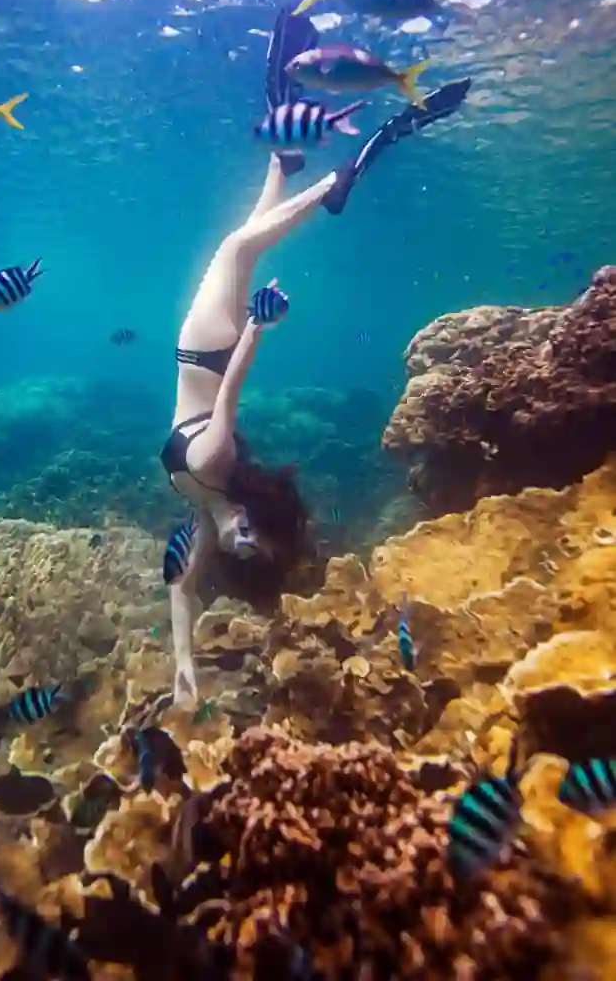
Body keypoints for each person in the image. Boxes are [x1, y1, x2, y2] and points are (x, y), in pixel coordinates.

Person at [160, 77, 472, 705]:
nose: (242, 540)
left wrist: (184, 664)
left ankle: (285, 164)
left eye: (246, 549)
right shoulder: (213, 464)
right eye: (255, 536)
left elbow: (180, 590)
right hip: (212, 346)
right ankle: (334, 184)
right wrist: (256, 328)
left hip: (208, 347)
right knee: (238, 247)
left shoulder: (205, 511)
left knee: (244, 244)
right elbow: (231, 390)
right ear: (253, 516)